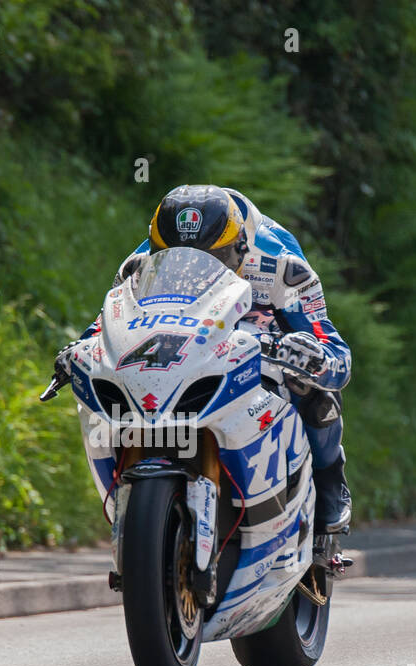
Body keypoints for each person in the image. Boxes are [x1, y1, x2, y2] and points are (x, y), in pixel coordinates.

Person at [58, 184, 352, 531]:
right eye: (173, 256)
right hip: (179, 338)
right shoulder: (139, 264)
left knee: (314, 391)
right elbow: (108, 324)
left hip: (255, 335)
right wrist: (78, 351)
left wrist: (313, 357)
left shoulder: (282, 265)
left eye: (209, 259)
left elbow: (335, 352)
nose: (188, 271)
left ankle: (331, 485)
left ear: (239, 248)